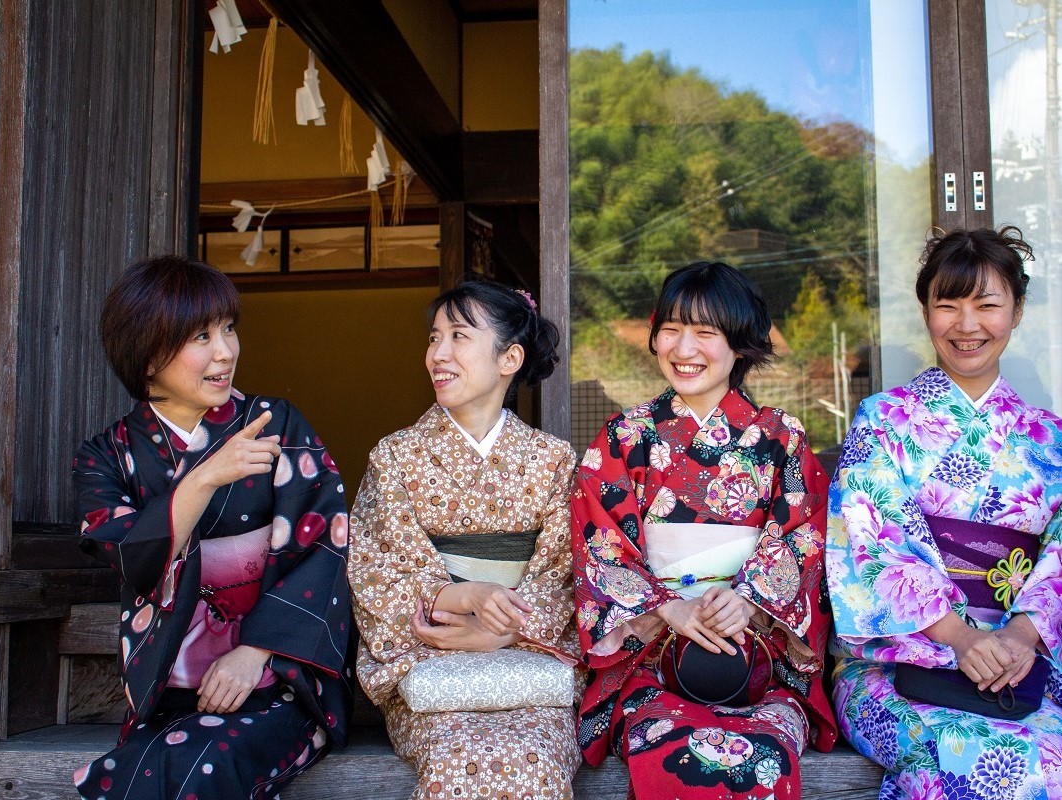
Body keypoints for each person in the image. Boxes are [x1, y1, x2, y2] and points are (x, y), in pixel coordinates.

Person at [71, 255, 354, 800]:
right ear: (148, 354)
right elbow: (131, 557)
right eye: (201, 335)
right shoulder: (107, 456)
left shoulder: (276, 424)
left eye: (228, 329)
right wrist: (203, 481)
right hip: (172, 685)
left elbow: (328, 544)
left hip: (276, 681)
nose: (225, 351)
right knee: (133, 774)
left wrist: (256, 651)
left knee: (203, 765)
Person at [572, 261, 837, 800]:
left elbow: (805, 535)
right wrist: (669, 608)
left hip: (755, 660)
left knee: (762, 753)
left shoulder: (780, 437)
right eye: (671, 329)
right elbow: (599, 541)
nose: (683, 347)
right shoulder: (625, 437)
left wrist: (750, 603)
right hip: (653, 658)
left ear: (740, 345)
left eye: (705, 333)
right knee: (671, 747)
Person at [827, 225, 1062, 799]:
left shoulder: (1050, 439)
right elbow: (869, 536)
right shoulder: (884, 421)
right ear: (926, 310)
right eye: (948, 305)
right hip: (901, 664)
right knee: (978, 761)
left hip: (1022, 662)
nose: (967, 325)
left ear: (1017, 310)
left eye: (987, 305)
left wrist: (1022, 635)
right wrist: (958, 637)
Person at [348, 280, 581, 800]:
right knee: (460, 759)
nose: (438, 354)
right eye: (434, 338)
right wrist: (463, 599)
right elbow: (377, 570)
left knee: (537, 761)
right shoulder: (396, 457)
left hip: (528, 672)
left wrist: (501, 632)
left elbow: (566, 577)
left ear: (510, 358)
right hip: (435, 664)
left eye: (458, 336)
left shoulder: (553, 460)